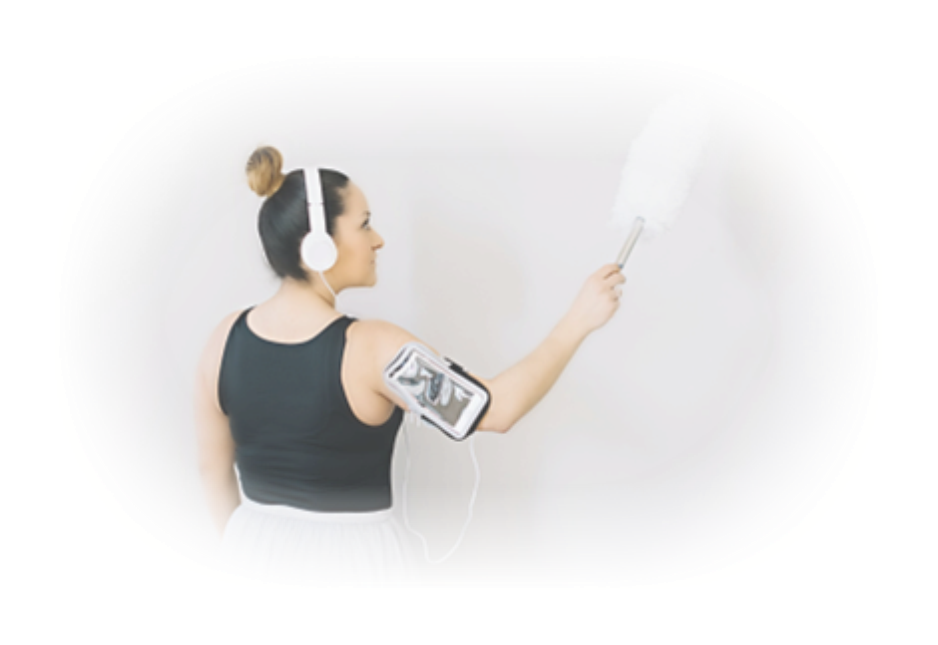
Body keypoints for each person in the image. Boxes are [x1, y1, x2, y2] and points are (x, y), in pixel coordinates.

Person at [193, 145, 627, 587]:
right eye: (364, 224)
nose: (378, 239)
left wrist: (250, 554)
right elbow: (495, 410)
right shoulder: (374, 349)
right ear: (320, 247)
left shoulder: (223, 338)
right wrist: (578, 321)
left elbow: (212, 469)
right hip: (351, 564)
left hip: (249, 553)